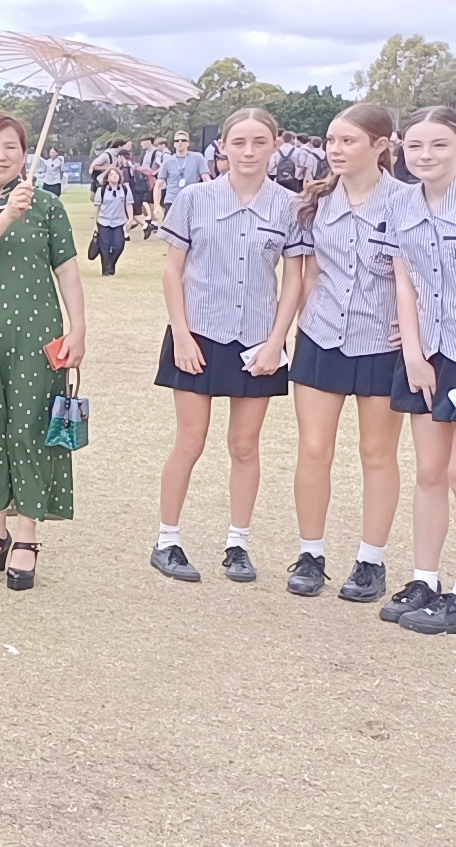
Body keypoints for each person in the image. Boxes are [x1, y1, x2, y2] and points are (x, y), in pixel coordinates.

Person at [151, 108, 307, 584]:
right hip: (197, 333)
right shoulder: (195, 199)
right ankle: (167, 540)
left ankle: (237, 543)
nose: (248, 151)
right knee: (190, 441)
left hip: (257, 339)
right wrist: (181, 334)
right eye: (238, 142)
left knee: (244, 445)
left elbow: (294, 280)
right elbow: (172, 270)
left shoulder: (290, 206)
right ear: (222, 146)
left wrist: (275, 342)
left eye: (259, 142)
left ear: (275, 145)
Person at [0, 113, 86, 591]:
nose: (0, 156)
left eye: (11, 147)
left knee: (27, 429)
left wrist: (78, 328)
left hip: (36, 336)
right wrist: (7, 215)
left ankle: (26, 534)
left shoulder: (47, 206)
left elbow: (67, 270)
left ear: (25, 154)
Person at [285, 104, 408, 603]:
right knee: (314, 450)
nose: (335, 150)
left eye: (348, 141)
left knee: (377, 453)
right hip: (322, 336)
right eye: (331, 140)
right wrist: (296, 327)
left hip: (384, 341)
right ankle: (310, 553)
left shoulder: (408, 202)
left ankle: (370, 561)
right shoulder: (317, 201)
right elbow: (311, 272)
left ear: (381, 145)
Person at [384, 105, 456, 632]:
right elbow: (403, 284)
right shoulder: (402, 203)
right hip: (429, 354)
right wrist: (414, 353)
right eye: (415, 146)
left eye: (439, 145)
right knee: (430, 473)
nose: (425, 155)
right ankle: (424, 580)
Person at [157, 130, 210, 218]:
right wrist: (156, 205)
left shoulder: (198, 157)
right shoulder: (167, 161)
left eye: (183, 140)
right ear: (174, 144)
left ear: (188, 143)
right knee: (170, 230)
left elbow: (206, 178)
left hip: (192, 200)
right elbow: (159, 184)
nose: (180, 143)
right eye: (177, 141)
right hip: (172, 200)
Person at [92, 166, 133, 275]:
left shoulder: (125, 190)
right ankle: (107, 271)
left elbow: (129, 204)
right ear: (107, 178)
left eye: (116, 174)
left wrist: (130, 219)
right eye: (111, 174)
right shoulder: (101, 190)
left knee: (119, 246)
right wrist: (95, 224)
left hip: (119, 222)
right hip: (103, 222)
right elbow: (96, 207)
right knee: (104, 247)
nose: (114, 176)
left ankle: (111, 264)